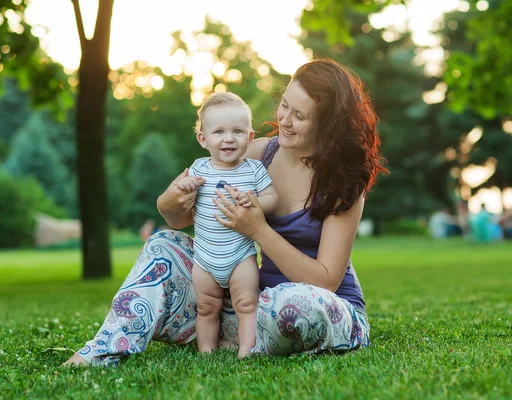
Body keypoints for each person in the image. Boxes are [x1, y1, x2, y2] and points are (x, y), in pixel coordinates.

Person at [63, 58, 387, 367]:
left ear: (327, 125)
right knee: (163, 246)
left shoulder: (344, 183)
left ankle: (236, 339)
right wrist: (170, 202)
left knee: (291, 305)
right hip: (254, 302)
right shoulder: (260, 154)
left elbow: (326, 281)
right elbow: (187, 219)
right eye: (285, 105)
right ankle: (105, 349)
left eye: (300, 116)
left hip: (323, 309)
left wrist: (259, 230)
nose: (284, 120)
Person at [174, 92, 278, 357]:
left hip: (240, 256)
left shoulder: (254, 170)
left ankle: (246, 350)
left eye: (238, 131)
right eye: (219, 131)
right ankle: (207, 351)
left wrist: (255, 202)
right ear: (203, 139)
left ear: (250, 137)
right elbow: (181, 196)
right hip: (205, 258)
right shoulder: (198, 170)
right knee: (206, 307)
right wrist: (183, 186)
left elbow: (272, 198)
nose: (229, 138)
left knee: (247, 303)